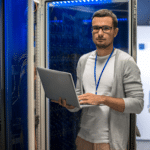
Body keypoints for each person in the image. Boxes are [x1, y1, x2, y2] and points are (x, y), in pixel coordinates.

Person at [51, 9, 144, 150]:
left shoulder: (125, 62)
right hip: (83, 138)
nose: (100, 33)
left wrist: (102, 99)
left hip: (110, 142)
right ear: (92, 31)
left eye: (106, 28)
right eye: (96, 28)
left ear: (115, 32)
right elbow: (79, 98)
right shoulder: (84, 60)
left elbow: (137, 104)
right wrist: (69, 104)